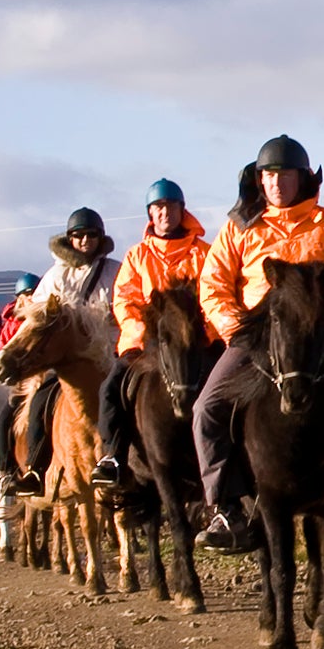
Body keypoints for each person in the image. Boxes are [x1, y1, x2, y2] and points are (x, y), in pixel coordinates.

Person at [193, 135, 324, 550]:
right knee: (207, 407)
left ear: (303, 179)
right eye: (269, 175)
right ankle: (227, 508)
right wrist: (237, 331)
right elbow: (213, 286)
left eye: (285, 175)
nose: (276, 183)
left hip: (322, 340)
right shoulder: (239, 229)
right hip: (258, 339)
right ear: (259, 181)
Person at [91, 180, 214, 493]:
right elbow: (125, 299)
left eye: (171, 207)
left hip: (194, 344)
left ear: (181, 211)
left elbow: (214, 295)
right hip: (147, 345)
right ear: (150, 214)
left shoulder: (203, 253)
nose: (164, 213)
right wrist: (142, 334)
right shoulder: (137, 256)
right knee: (110, 388)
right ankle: (113, 457)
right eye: (158, 208)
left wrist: (204, 334)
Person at [4, 208, 120, 496]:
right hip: (63, 358)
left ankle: (130, 464)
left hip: (109, 353)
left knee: (130, 394)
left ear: (100, 237)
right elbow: (36, 318)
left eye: (91, 234)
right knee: (42, 398)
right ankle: (34, 468)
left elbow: (127, 308)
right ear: (69, 239)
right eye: (78, 235)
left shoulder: (115, 271)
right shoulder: (56, 275)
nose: (84, 240)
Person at [0, 274, 39, 345]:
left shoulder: (50, 318)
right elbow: (4, 347)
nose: (30, 297)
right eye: (27, 294)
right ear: (20, 298)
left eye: (34, 293)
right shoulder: (12, 324)